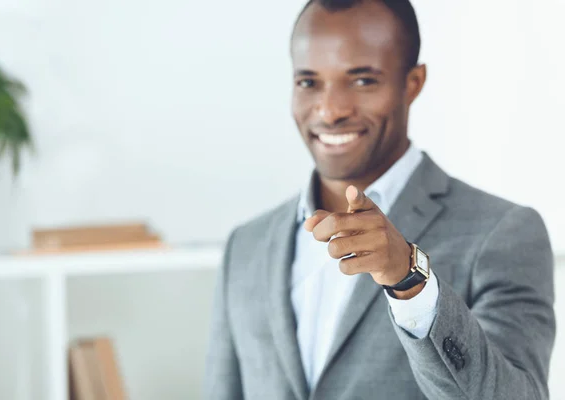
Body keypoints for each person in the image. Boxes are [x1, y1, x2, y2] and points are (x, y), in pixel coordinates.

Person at [204, 0, 556, 399]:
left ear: (413, 83)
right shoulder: (246, 246)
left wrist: (412, 282)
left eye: (362, 81)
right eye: (308, 82)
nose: (331, 110)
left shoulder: (503, 233)